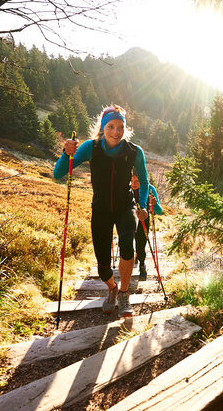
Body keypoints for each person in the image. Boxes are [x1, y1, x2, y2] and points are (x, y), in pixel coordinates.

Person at [53, 104, 149, 317]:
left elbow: (143, 180)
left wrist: (142, 206)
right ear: (103, 127)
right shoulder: (90, 147)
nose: (116, 132)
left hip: (125, 207)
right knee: (103, 267)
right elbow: (58, 173)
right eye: (111, 126)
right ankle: (112, 289)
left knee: (127, 245)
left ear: (125, 128)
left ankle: (124, 293)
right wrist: (65, 152)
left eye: (121, 127)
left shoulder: (134, 151)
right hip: (101, 210)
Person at [130, 173, 163, 280]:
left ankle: (142, 263)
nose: (133, 184)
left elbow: (159, 211)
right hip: (129, 218)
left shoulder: (149, 189)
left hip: (144, 218)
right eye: (131, 181)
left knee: (141, 242)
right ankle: (130, 261)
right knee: (127, 242)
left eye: (136, 181)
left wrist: (155, 204)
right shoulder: (126, 188)